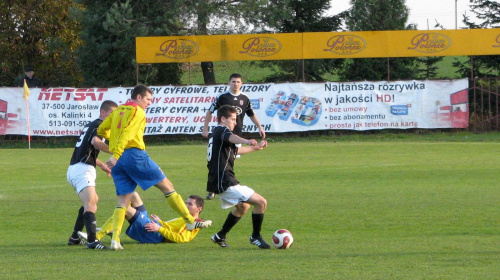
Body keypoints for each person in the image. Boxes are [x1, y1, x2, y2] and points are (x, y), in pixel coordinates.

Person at [97, 84, 211, 250]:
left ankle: (115, 240)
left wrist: (113, 145)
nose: (150, 103)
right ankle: (190, 221)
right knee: (167, 187)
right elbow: (128, 135)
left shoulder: (118, 110)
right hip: (134, 155)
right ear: (138, 97)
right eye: (148, 99)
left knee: (123, 201)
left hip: (120, 160)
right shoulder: (138, 111)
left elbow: (102, 129)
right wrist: (115, 154)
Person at [207, 105, 271, 249]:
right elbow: (232, 138)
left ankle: (220, 236)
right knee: (261, 203)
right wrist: (247, 140)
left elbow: (235, 151)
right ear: (223, 119)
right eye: (233, 119)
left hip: (218, 181)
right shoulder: (222, 130)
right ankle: (256, 236)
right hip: (225, 181)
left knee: (243, 207)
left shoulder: (216, 134)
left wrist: (256, 147)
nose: (235, 123)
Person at [202, 73, 266, 200]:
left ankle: (225, 183)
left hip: (237, 134)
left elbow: (251, 114)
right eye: (233, 81)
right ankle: (219, 186)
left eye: (238, 82)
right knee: (222, 160)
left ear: (241, 84)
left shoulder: (245, 98)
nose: (235, 84)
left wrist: (260, 127)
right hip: (223, 135)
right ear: (229, 83)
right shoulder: (222, 97)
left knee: (231, 158)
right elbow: (210, 111)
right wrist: (205, 127)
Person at [66, 100, 118, 250]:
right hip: (81, 169)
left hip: (78, 167)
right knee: (91, 203)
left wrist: (102, 165)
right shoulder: (99, 126)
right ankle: (92, 241)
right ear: (103, 112)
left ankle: (75, 237)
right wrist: (115, 151)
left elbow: (86, 150)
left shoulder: (91, 124)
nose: (113, 118)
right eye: (111, 114)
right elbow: (95, 142)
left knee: (93, 200)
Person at [80, 192, 209, 244]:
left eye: (190, 204)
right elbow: (172, 227)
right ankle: (114, 229)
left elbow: (181, 238)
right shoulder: (186, 217)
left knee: (124, 208)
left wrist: (159, 229)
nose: (186, 206)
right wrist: (160, 222)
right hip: (156, 227)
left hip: (156, 235)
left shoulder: (195, 223)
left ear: (199, 209)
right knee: (132, 195)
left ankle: (97, 235)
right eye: (186, 203)